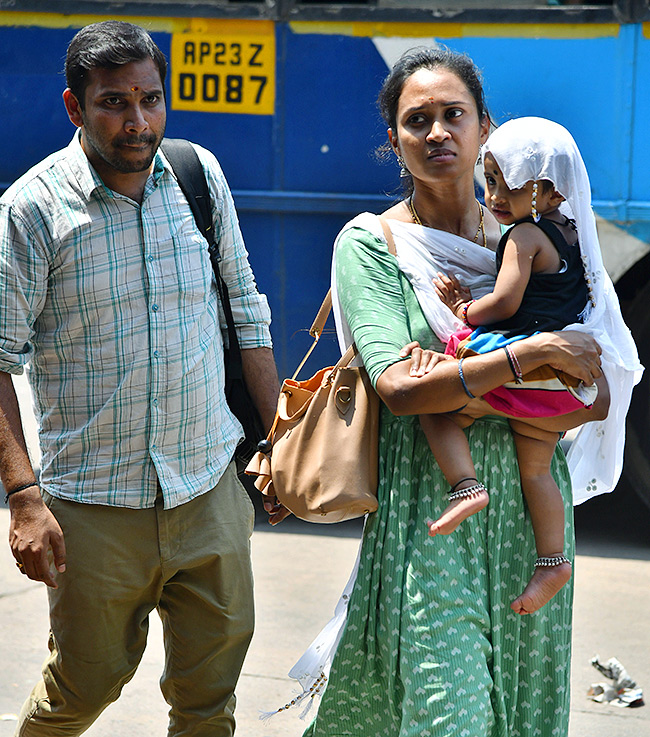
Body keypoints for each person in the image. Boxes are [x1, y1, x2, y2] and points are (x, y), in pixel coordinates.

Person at [263, 47, 640, 736]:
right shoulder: (372, 246)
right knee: (450, 716)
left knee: (522, 719)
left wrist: (468, 383)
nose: (436, 132)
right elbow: (401, 390)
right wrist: (533, 358)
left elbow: (598, 393)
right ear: (394, 140)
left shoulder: (534, 245)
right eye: (417, 120)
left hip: (529, 521)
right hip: (431, 512)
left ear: (485, 129)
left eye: (453, 115)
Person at [0, 20, 279, 737]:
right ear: (75, 106)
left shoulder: (197, 176)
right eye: (114, 103)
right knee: (81, 689)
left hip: (207, 488)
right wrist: (24, 497)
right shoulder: (32, 211)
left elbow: (246, 313)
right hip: (94, 508)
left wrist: (277, 444)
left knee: (209, 703)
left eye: (150, 100)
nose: (137, 121)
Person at [415, 116, 618, 616]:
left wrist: (464, 308)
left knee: (437, 402)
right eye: (490, 181)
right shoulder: (572, 232)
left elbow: (504, 303)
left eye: (511, 185)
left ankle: (466, 486)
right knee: (537, 470)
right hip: (562, 381)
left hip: (528, 363)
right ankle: (553, 561)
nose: (495, 196)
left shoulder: (523, 237)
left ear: (551, 190)